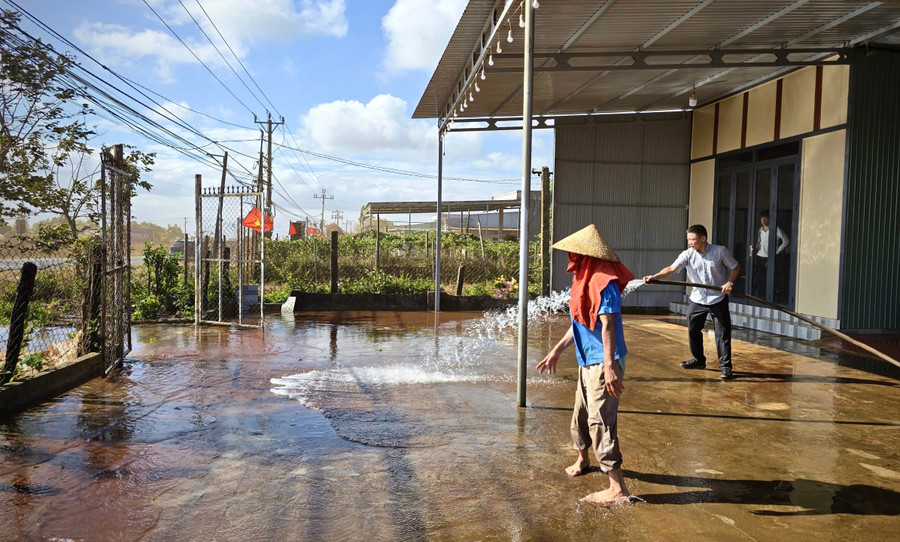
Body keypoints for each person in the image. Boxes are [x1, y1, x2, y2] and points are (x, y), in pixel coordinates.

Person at [536, 224, 635, 505]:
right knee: (580, 414)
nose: (571, 258)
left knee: (600, 420)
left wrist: (609, 368)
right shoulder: (583, 279)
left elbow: (607, 328)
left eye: (575, 253)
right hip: (587, 359)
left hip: (604, 361)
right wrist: (556, 351)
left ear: (586, 254)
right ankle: (583, 458)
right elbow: (578, 324)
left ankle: (617, 488)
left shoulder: (604, 281)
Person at [643, 224, 740, 380]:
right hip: (698, 298)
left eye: (693, 239)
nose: (690, 243)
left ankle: (726, 367)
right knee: (693, 329)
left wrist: (729, 283)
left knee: (722, 334)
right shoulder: (687, 254)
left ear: (703, 238)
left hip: (718, 298)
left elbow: (735, 267)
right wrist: (655, 277)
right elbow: (672, 268)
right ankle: (698, 360)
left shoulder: (720, 251)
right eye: (688, 239)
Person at [752, 210, 790, 298]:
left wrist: (776, 252)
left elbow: (786, 241)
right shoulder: (760, 230)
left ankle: (767, 296)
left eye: (765, 218)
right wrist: (758, 244)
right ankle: (759, 296)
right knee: (759, 277)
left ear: (769, 219)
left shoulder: (776, 229)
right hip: (760, 256)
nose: (763, 220)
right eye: (762, 218)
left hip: (769, 257)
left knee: (768, 278)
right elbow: (760, 241)